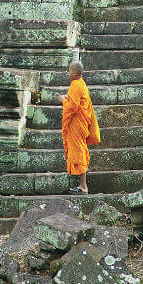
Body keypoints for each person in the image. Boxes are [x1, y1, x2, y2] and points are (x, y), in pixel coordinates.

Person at [60, 59, 98, 194]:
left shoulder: (76, 85)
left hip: (77, 125)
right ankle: (82, 185)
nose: (68, 74)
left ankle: (83, 186)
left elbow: (72, 107)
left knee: (80, 151)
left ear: (75, 72)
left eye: (69, 71)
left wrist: (64, 101)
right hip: (80, 124)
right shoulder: (81, 84)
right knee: (80, 150)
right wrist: (68, 99)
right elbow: (77, 102)